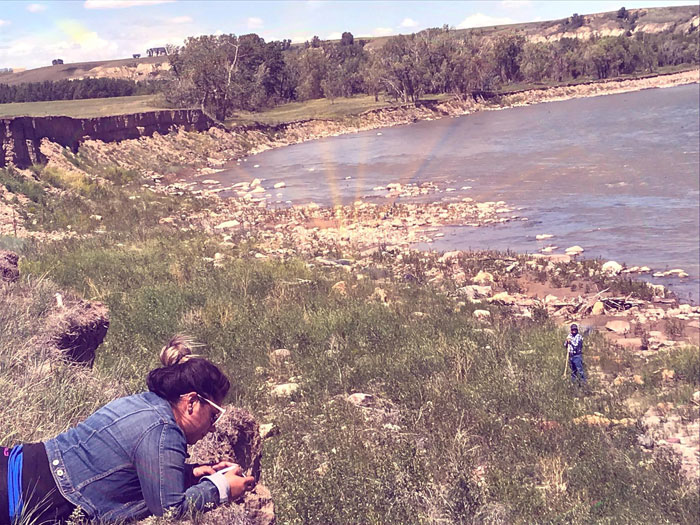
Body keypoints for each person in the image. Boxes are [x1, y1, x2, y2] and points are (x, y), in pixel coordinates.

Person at [1, 336, 255, 524]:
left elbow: (128, 469)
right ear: (191, 402)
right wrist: (220, 488)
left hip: (17, 466)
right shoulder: (165, 431)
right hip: (23, 498)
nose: (212, 429)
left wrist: (188, 474)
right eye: (213, 416)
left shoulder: (144, 404)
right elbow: (170, 510)